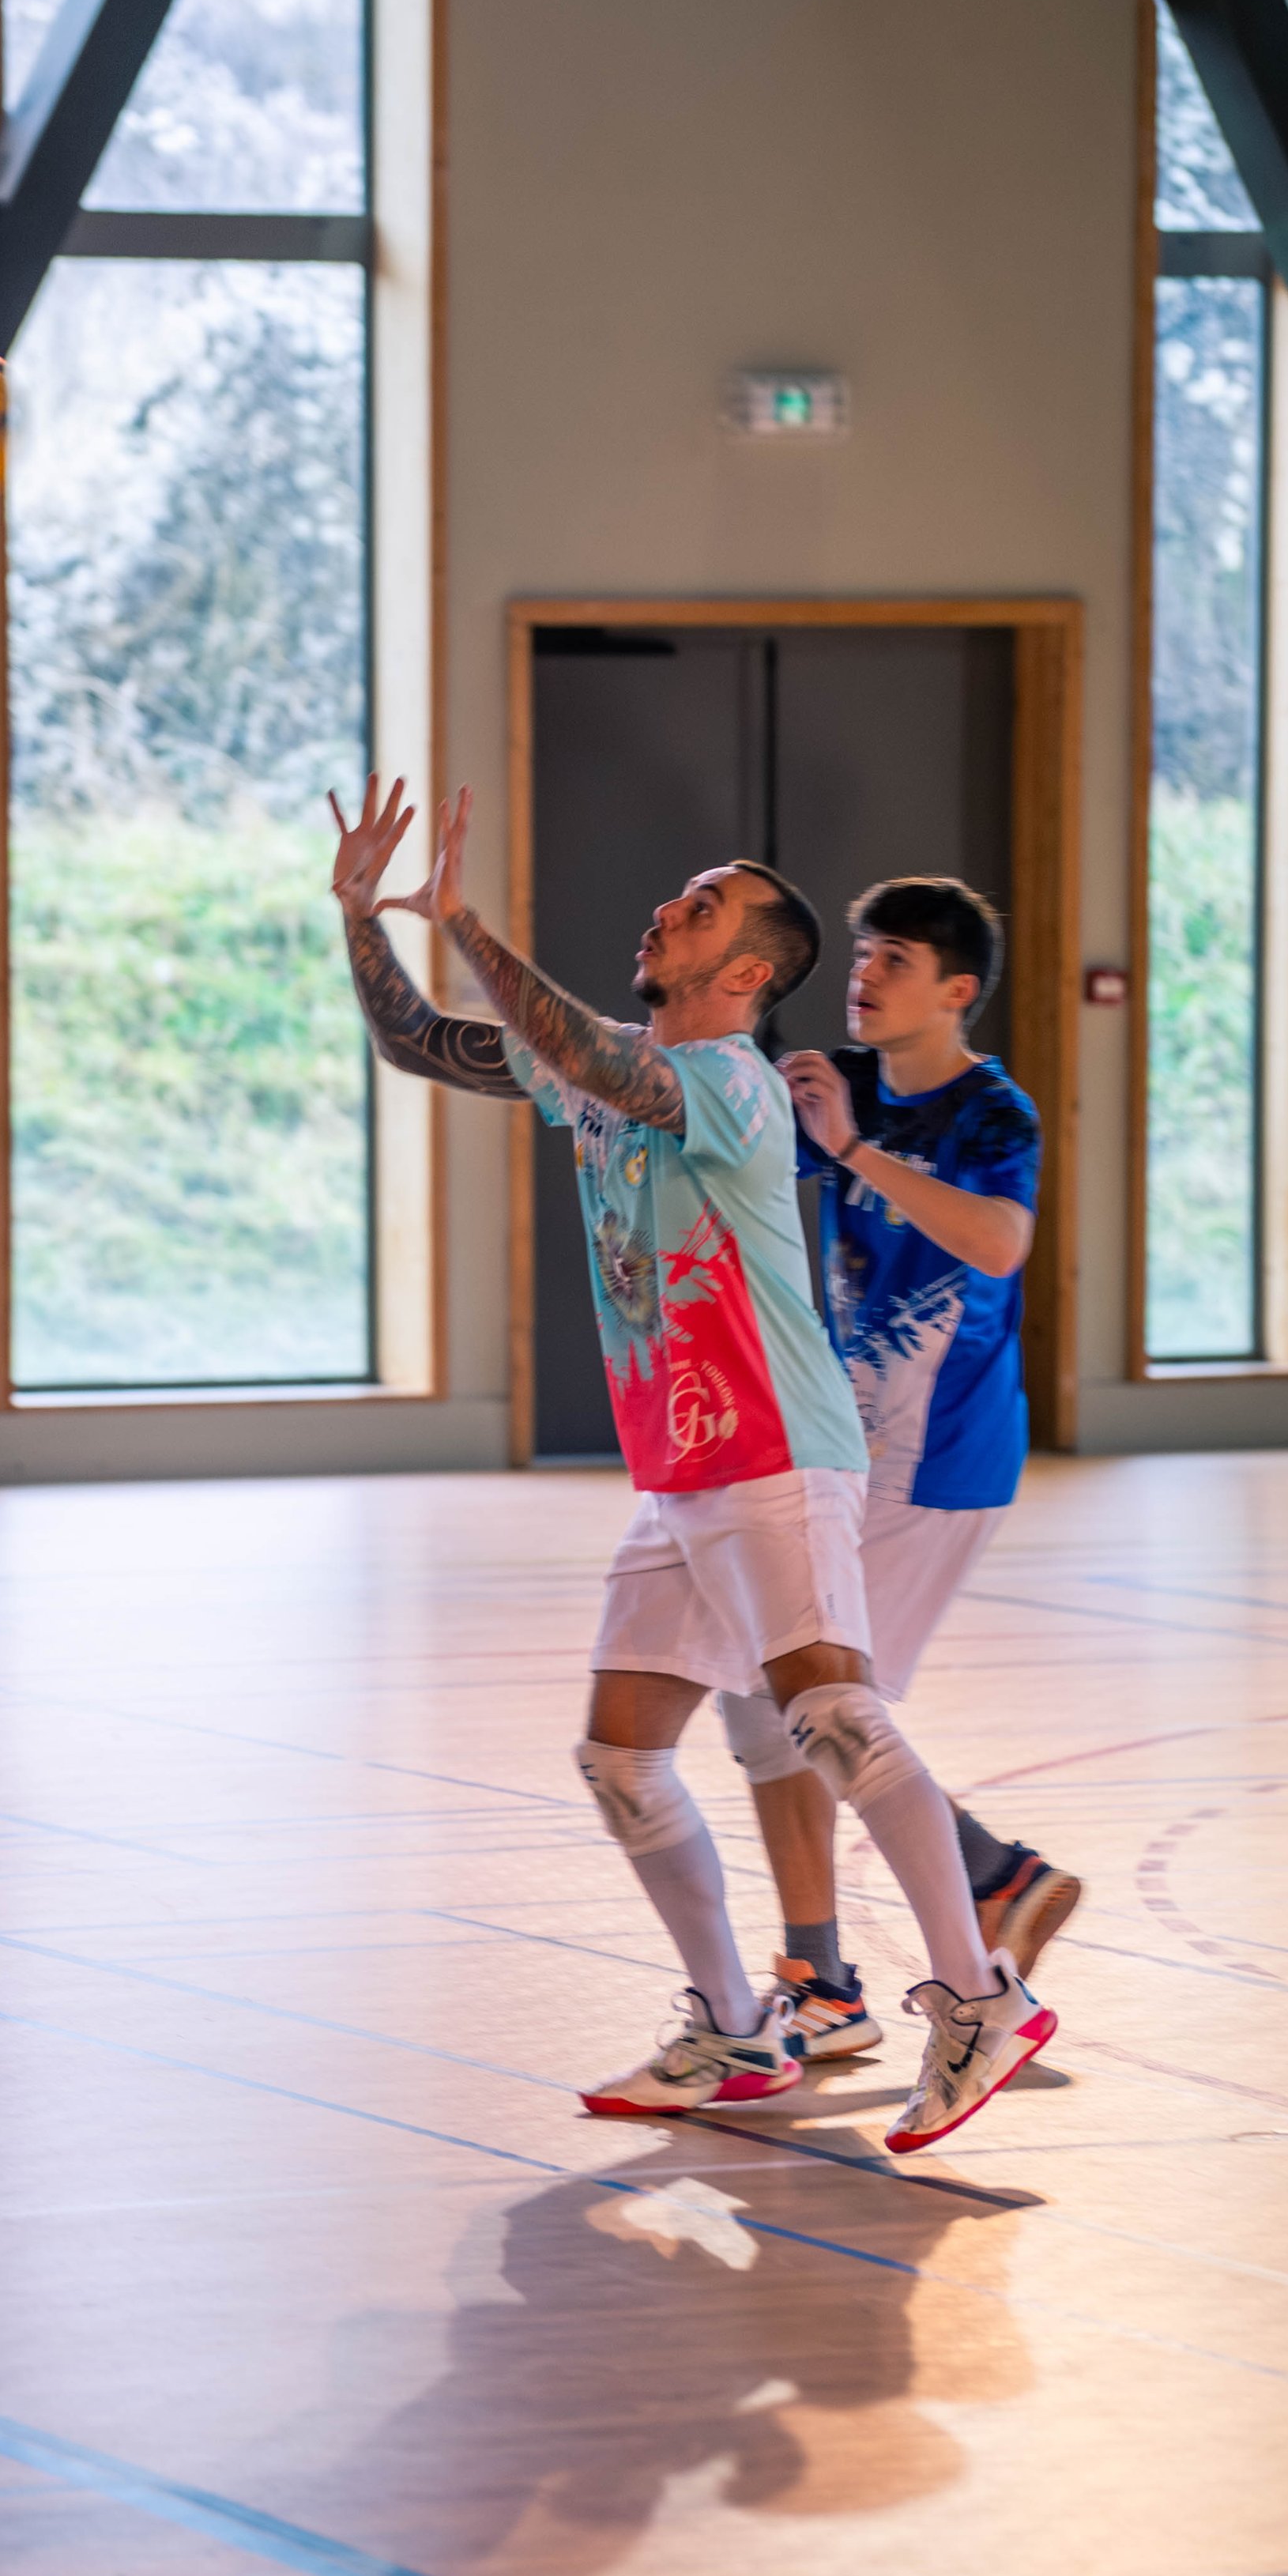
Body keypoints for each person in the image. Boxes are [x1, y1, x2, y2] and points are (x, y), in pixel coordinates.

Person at [329, 775, 1055, 2154]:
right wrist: (363, 917)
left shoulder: (722, 1084)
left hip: (777, 1450)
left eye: (701, 907)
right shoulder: (610, 1060)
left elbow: (604, 1067)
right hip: (684, 1471)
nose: (667, 909)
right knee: (621, 1755)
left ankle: (978, 1997)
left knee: (831, 1717)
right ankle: (735, 2024)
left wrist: (467, 917)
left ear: (743, 973)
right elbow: (422, 1044)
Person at [719, 877, 1080, 2063]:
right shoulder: (837, 1078)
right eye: (861, 956)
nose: (864, 978)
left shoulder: (993, 1114)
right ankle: (977, 1882)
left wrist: (855, 1151)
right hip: (838, 1447)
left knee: (800, 1699)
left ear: (958, 992)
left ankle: (836, 1975)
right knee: (773, 1691)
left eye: (894, 962)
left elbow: (995, 1241)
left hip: (941, 1462)